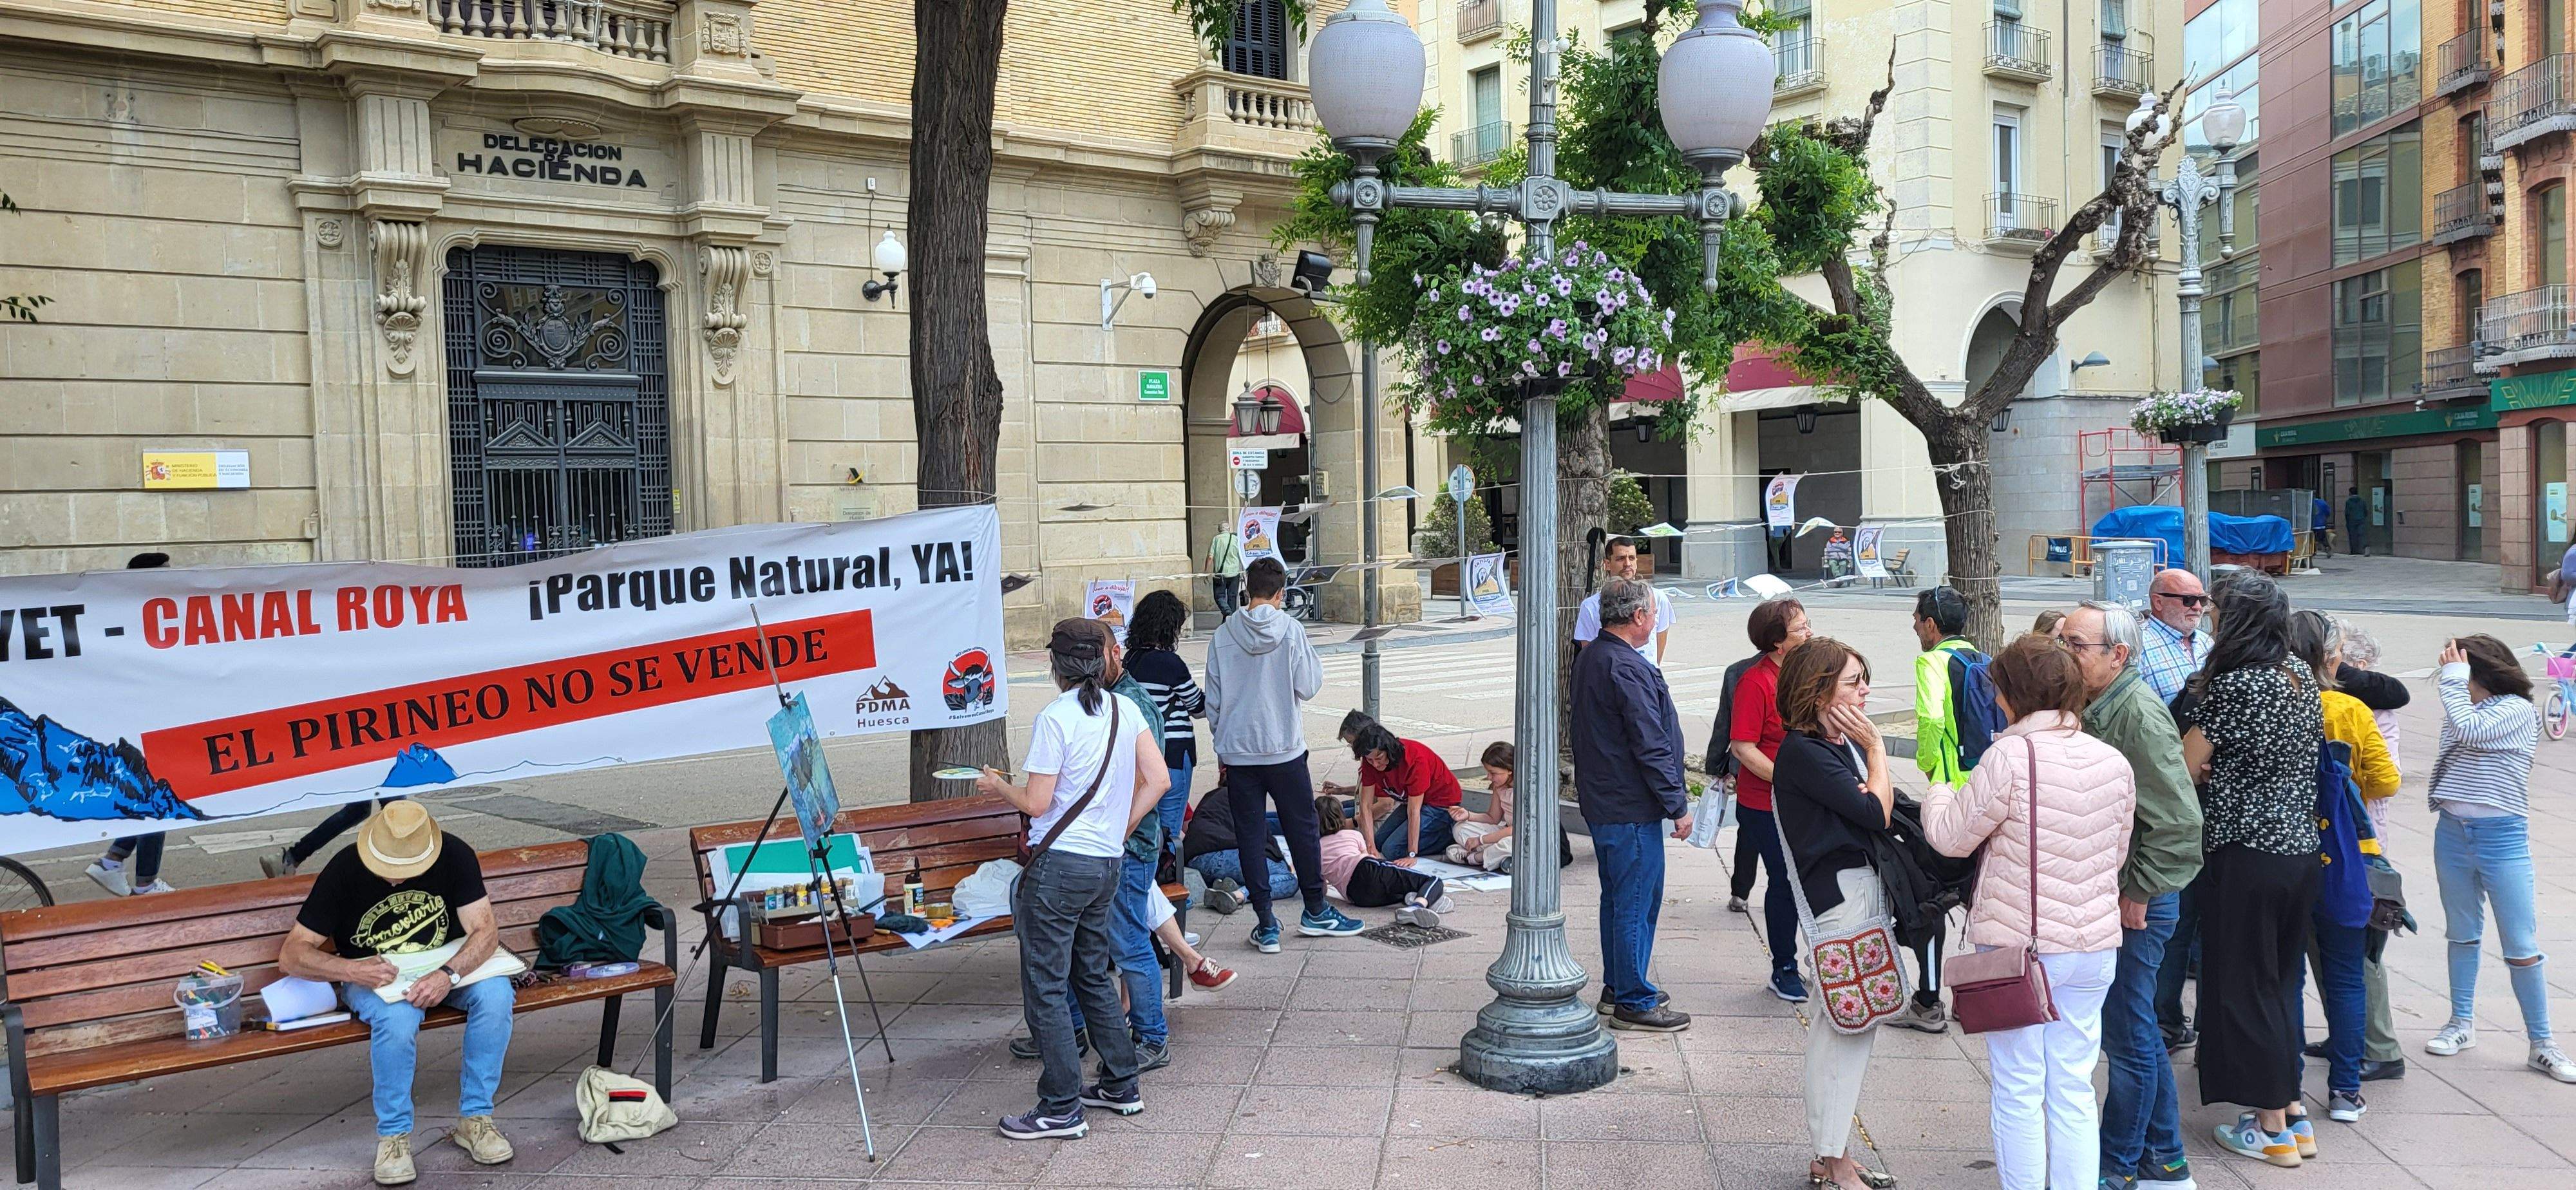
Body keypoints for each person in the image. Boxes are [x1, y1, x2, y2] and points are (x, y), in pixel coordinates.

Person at [1921, 636, 2137, 1190]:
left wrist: (1939, 790)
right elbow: (2116, 853)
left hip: (2021, 945)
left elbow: (1950, 839)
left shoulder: (2010, 756)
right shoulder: (2112, 760)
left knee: (2018, 1086)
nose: (1994, 700)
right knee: (2073, 1085)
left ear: (2014, 692)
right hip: (2093, 946)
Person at [975, 621, 1166, 1139]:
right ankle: (1121, 1083)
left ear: (1054, 665)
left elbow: (1037, 803)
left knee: (1047, 985)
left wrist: (997, 787)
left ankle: (1060, 1105)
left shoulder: (1055, 718)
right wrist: (1120, 827)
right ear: (1102, 660)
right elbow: (1161, 780)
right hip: (1106, 864)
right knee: (1091, 974)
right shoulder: (1124, 710)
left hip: (1059, 868)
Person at [275, 801, 515, 1185]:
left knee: (497, 996)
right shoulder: (344, 868)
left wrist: (448, 974)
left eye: (405, 871)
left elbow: (485, 932)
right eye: (387, 869)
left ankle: (476, 1120)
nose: (395, 879)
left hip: (447, 966)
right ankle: (394, 1137)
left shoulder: (454, 854)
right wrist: (351, 969)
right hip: (373, 976)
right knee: (398, 1018)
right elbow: (292, 954)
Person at [2174, 575, 2324, 1167]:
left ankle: (2268, 1128)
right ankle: (2291, 1113)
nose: (2208, 616)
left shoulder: (2235, 684)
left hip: (2246, 851)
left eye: (2214, 608)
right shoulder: (2297, 673)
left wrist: (2211, 771)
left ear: (2235, 619)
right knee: (2280, 980)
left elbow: (2185, 764)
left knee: (2243, 983)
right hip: (2298, 849)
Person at [2061, 601, 2204, 1190]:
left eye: (2075, 645)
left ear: (2117, 656)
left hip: (2138, 897)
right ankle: (2166, 1159)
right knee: (2133, 1027)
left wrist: (2141, 891)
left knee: (2130, 1034)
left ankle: (2118, 1165)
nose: (2062, 653)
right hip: (2119, 890)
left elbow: (2178, 821)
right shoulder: (2100, 701)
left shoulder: (2137, 714)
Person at [1768, 636, 1900, 1190]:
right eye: (1854, 680)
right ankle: (1834, 1159)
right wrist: (1877, 751)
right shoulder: (1808, 751)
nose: (1865, 688)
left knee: (1845, 1024)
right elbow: (1876, 812)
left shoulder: (1824, 743)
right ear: (1820, 690)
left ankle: (1830, 1153)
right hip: (1841, 900)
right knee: (1846, 1029)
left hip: (1848, 895)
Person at [2422, 634, 2575, 1084]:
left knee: (2521, 945)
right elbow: (2463, 731)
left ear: (2477, 672)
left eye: (2455, 671)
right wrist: (2455, 686)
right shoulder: (2464, 708)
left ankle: (2543, 1043)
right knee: (2462, 934)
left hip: (2502, 837)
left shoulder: (2516, 710)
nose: (2448, 680)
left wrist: (2453, 680)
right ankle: (2460, 1024)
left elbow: (2470, 730)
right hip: (2453, 832)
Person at [1204, 556, 1363, 952]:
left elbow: (1214, 702)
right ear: (1280, 593)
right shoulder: (1291, 630)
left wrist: (1224, 740)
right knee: (1302, 830)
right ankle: (1315, 910)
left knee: (1251, 836)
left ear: (1246, 588)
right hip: (1285, 749)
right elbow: (1308, 686)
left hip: (1240, 755)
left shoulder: (1223, 636)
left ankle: (1266, 923)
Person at [1569, 576, 1694, 1032]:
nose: (1657, 619)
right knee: (1636, 901)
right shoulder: (1624, 665)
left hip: (1608, 801)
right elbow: (1651, 743)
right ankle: (1634, 1000)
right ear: (1638, 617)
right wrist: (1677, 804)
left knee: (1621, 899)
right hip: (1628, 805)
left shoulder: (1596, 656)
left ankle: (1620, 985)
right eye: (1653, 613)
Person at [2287, 609, 2392, 1123]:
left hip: (2283, 850)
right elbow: (2386, 779)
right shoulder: (2351, 709)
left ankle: (2283, 1092)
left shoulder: (2272, 702)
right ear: (2332, 657)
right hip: (2343, 854)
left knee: (2285, 975)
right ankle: (2346, 1091)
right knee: (2348, 973)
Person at [1902, 586, 1991, 1034]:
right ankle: (1979, 998)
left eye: (1917, 619)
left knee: (1931, 900)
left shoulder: (1932, 661)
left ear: (1932, 626)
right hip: (1987, 790)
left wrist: (1930, 768)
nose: (1915, 627)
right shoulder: (1984, 659)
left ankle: (1928, 1001)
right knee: (1983, 902)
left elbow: (1933, 719)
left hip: (1952, 794)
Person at [2327, 619, 2411, 1080]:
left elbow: (2387, 779)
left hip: (2361, 841)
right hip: (2347, 837)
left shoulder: (2372, 710)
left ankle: (2380, 1045)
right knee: (2333, 945)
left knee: (2361, 944)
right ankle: (2350, 1035)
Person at [1729, 596, 1814, 1003]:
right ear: (1778, 642)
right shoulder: (1755, 682)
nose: (1809, 632)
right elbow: (1743, 747)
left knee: (1807, 878)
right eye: (1801, 628)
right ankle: (1784, 967)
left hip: (1808, 800)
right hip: (1765, 802)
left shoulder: (1808, 675)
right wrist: (1786, 780)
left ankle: (1817, 957)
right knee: (1784, 879)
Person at [88, 552, 180, 897]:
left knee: (153, 793)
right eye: (165, 574)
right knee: (162, 795)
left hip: (151, 715)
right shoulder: (137, 614)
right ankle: (145, 884)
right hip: (144, 718)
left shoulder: (138, 610)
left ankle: (112, 861)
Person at [1122, 590, 1204, 855]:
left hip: (1136, 755)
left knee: (1142, 823)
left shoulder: (1129, 661)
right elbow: (1198, 707)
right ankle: (1167, 883)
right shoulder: (1171, 663)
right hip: (1172, 751)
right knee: (1169, 830)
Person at [1313, 796, 1454, 923]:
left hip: (1356, 896)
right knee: (1432, 880)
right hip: (1367, 869)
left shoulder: (1316, 849)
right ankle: (1418, 906)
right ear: (1341, 816)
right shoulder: (1352, 834)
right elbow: (1370, 859)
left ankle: (1417, 898)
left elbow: (1322, 888)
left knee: (1399, 891)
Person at [1344, 721, 1463, 864]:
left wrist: (1412, 854)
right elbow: (1365, 805)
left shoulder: (1414, 760)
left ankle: (1449, 835)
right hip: (1410, 802)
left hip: (1441, 804)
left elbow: (1414, 811)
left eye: (1379, 758)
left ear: (1388, 750)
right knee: (1379, 842)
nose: (1375, 764)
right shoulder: (1369, 761)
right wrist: (1371, 847)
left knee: (1392, 850)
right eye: (1370, 760)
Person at [1181, 792, 1296, 914]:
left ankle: (1224, 889)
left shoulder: (1212, 796)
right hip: (1218, 856)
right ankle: (1237, 895)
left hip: (1194, 860)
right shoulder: (1245, 796)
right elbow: (1260, 838)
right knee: (1289, 879)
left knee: (1260, 871)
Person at [1573, 536, 1676, 664]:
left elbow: (1660, 643)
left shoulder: (1658, 599)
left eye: (1632, 558)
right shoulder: (1590, 606)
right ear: (1608, 564)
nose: (1628, 564)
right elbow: (1588, 652)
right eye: (1621, 558)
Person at [2136, 569, 2211, 704]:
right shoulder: (2137, 646)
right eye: (2188, 600)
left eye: (2203, 600)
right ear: (2158, 602)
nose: (2198, 607)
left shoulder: (2206, 641)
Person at [1448, 741, 1517, 871]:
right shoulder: (1499, 786)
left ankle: (1475, 858)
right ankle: (1498, 857)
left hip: (1519, 835)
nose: (1489, 777)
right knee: (1460, 828)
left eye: (1493, 773)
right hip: (1504, 831)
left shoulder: (1523, 790)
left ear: (1509, 770)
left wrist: (1481, 840)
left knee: (1512, 844)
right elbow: (1493, 818)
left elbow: (1518, 830)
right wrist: (1468, 815)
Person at [1207, 522, 1245, 618]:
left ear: (1219, 529)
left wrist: (1206, 571)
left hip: (1221, 573)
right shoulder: (1236, 539)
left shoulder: (1216, 539)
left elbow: (1210, 557)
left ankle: (1226, 610)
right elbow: (1241, 556)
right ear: (1229, 529)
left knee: (1219, 596)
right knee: (1232, 597)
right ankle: (1229, 620)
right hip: (1235, 572)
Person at [2344, 487, 2370, 556]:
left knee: (2353, 536)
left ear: (2350, 493)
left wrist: (2348, 522)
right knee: (2362, 535)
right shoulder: (2362, 501)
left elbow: (2347, 513)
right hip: (2361, 520)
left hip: (2352, 521)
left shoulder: (2349, 502)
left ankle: (2354, 551)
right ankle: (2366, 549)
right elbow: (2366, 511)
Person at [2311, 494, 2335, 558]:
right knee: (2323, 538)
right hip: (2321, 524)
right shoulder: (2323, 503)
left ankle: (2313, 551)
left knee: (2312, 539)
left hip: (2312, 524)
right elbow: (2328, 512)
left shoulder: (2310, 502)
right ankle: (2327, 548)